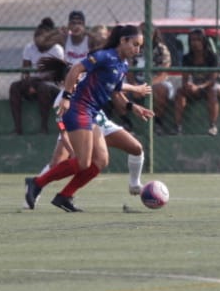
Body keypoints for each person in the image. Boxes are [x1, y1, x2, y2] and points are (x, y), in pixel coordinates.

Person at [24, 25, 154, 212]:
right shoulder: (105, 56)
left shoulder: (123, 65)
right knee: (83, 162)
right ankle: (36, 183)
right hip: (79, 109)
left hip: (91, 113)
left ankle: (64, 196)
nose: (137, 50)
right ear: (123, 40)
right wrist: (67, 97)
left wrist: (133, 107)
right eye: (135, 44)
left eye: (140, 46)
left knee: (100, 161)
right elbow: (75, 69)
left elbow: (116, 93)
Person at [9, 18, 64, 134]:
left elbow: (57, 74)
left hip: (51, 85)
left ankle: (44, 127)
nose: (37, 40)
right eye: (36, 36)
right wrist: (27, 83)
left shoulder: (57, 49)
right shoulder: (30, 47)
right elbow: (25, 70)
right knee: (14, 87)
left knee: (43, 88)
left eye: (41, 37)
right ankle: (17, 127)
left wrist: (36, 80)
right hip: (33, 82)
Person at [173, 28, 220, 136]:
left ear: (203, 41)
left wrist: (199, 87)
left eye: (198, 40)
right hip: (197, 88)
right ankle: (178, 127)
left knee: (212, 90)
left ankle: (213, 126)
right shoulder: (187, 58)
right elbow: (185, 79)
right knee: (180, 92)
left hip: (214, 86)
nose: (195, 43)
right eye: (192, 40)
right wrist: (187, 86)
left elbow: (213, 79)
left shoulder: (212, 56)